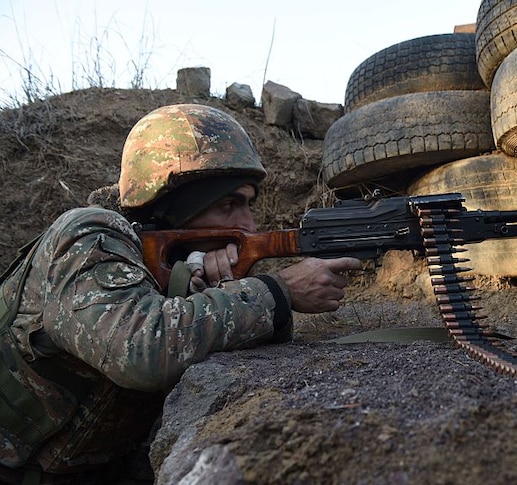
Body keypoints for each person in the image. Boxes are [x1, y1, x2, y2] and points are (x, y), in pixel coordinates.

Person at [0, 104, 362, 483]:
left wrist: (203, 289)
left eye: (248, 204)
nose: (249, 224)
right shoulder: (89, 235)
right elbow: (141, 349)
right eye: (228, 204)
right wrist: (278, 291)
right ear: (171, 206)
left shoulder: (161, 261)